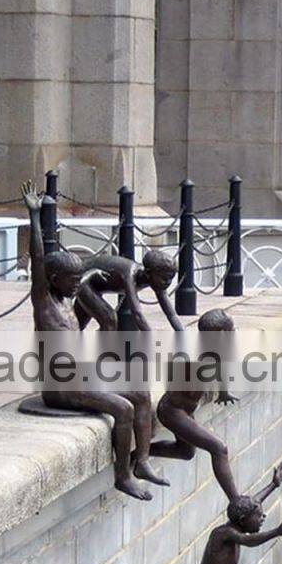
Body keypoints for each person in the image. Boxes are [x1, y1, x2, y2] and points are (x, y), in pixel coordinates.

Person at [21, 180, 167, 501]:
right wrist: (34, 216)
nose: (77, 287)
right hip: (61, 388)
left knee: (141, 393)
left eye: (79, 281)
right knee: (123, 408)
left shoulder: (68, 303)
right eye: (71, 282)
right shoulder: (44, 302)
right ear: (53, 279)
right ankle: (122, 476)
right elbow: (38, 257)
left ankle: (141, 460)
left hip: (80, 375)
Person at [150, 309, 240, 501]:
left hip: (185, 410)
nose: (234, 334)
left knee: (186, 452)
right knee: (219, 448)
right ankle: (235, 500)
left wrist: (223, 393)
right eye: (230, 331)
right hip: (172, 411)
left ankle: (140, 454)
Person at [75, 250, 184, 332]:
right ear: (148, 273)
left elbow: (171, 315)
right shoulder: (130, 274)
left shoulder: (157, 281)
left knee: (76, 326)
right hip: (85, 279)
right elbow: (137, 315)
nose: (168, 282)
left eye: (171, 278)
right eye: (165, 278)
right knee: (109, 319)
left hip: (94, 286)